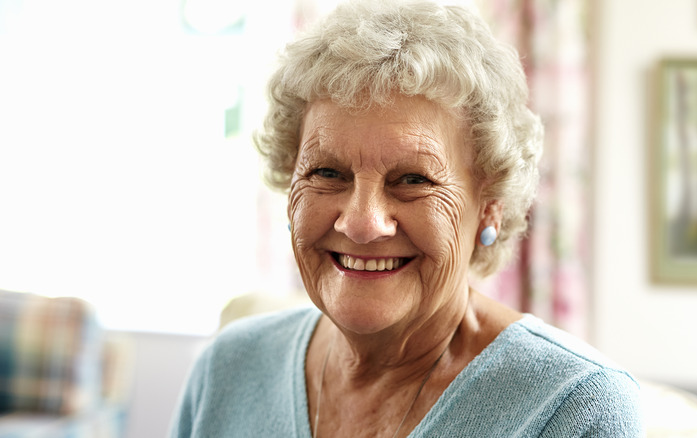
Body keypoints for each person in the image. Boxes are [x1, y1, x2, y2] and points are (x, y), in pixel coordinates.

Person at [169, 1, 643, 436]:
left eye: (413, 179)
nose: (361, 222)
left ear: (490, 206)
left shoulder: (574, 409)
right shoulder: (227, 370)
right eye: (327, 172)